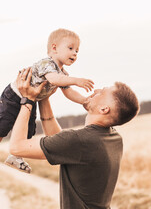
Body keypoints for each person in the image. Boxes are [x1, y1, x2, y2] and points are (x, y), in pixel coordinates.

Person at [9, 68, 139, 209]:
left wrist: (28, 100)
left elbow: (16, 147)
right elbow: (60, 142)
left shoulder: (81, 141)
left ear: (104, 109)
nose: (95, 91)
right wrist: (44, 98)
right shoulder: (113, 138)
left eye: (101, 92)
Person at [0, 28, 94, 173]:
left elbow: (68, 91)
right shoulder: (47, 64)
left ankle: (15, 156)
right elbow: (54, 79)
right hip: (14, 96)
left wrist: (84, 101)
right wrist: (76, 80)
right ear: (54, 48)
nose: (75, 53)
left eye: (77, 51)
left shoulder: (63, 73)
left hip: (30, 100)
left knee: (29, 131)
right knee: (3, 125)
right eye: (71, 48)